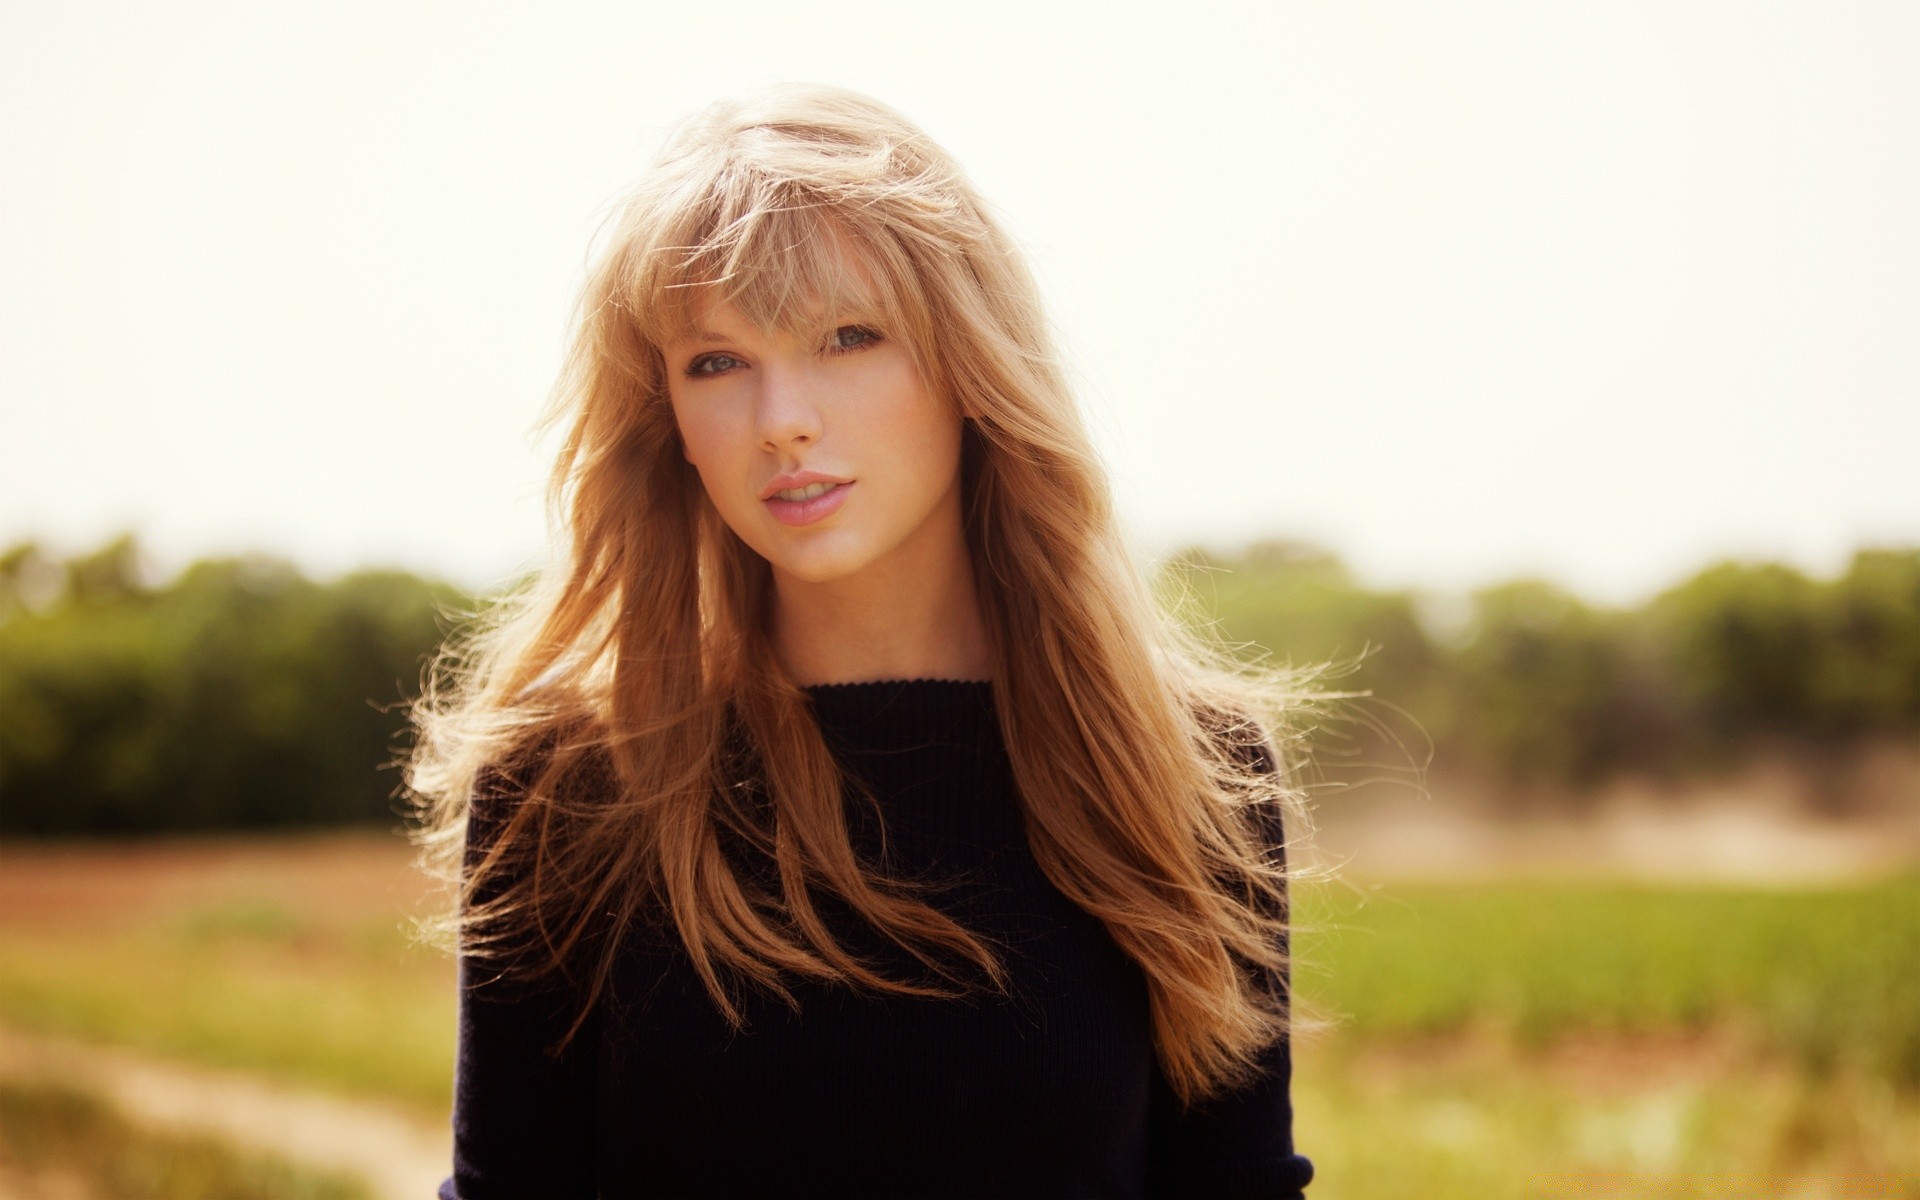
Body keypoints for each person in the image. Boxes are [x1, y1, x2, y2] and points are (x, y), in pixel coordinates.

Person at [407, 82, 1320, 1199]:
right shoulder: (566, 786)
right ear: (670, 424)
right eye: (715, 362)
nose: (781, 416)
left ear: (970, 365)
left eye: (847, 336)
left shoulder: (1191, 774)